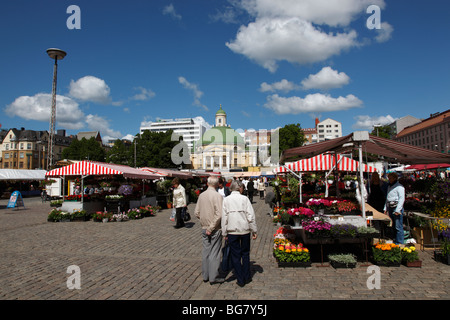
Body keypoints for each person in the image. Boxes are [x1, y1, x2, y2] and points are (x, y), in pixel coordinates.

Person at [222, 180, 257, 287]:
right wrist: (254, 230)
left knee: (235, 255)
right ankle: (247, 276)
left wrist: (224, 233)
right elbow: (250, 216)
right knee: (245, 254)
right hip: (245, 230)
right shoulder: (244, 199)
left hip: (232, 231)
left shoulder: (226, 200)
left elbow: (224, 218)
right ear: (239, 188)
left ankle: (240, 278)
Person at [194, 176, 225, 285]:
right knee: (215, 253)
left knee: (206, 252)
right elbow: (219, 214)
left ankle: (205, 275)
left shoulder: (202, 195)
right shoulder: (218, 196)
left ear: (207, 184)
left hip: (204, 227)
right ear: (216, 185)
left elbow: (196, 212)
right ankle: (213, 277)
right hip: (215, 228)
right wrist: (211, 227)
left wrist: (204, 223)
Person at [383, 172, 405, 244]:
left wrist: (398, 210)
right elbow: (388, 198)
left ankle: (400, 242)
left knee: (398, 226)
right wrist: (385, 208)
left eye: (391, 178)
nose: (389, 179)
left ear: (395, 178)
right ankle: (395, 239)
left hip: (396, 207)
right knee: (393, 225)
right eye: (389, 178)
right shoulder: (389, 186)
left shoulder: (400, 187)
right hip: (390, 206)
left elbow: (401, 199)